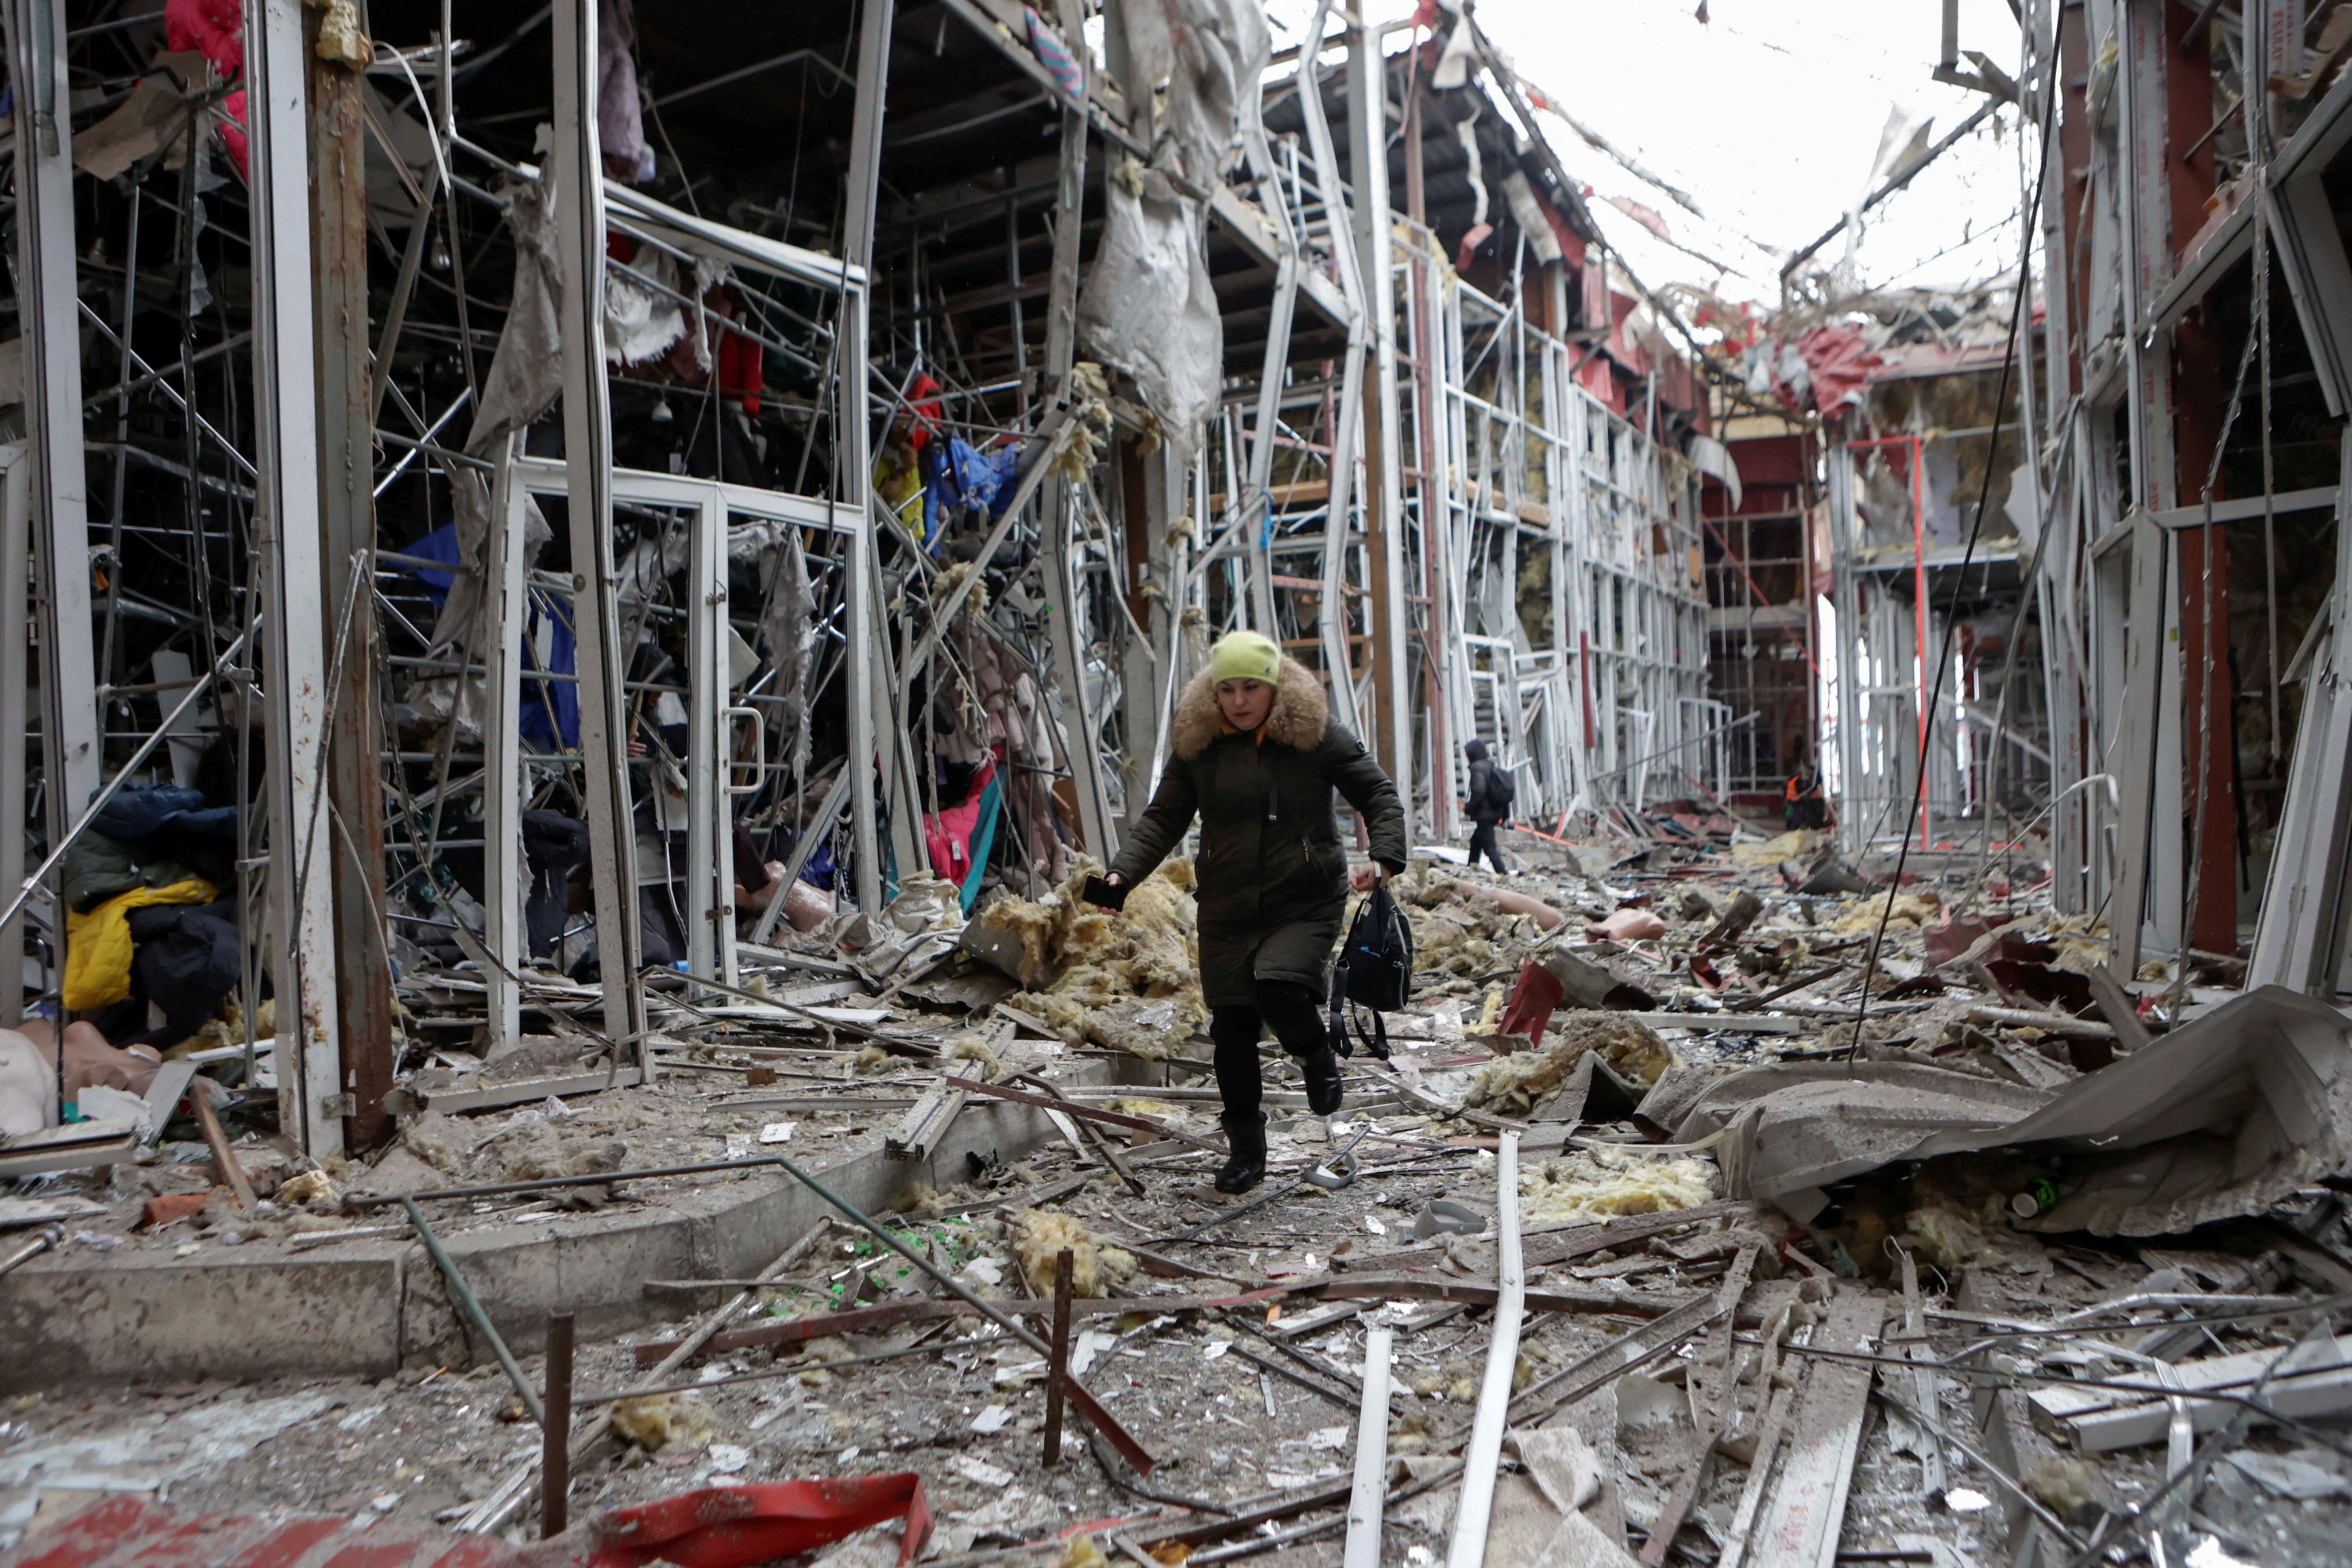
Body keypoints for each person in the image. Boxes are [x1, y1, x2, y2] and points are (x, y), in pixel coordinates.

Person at [1103, 629, 1407, 1194]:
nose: (1239, 702)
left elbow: (1378, 794)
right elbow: (1161, 819)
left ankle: (1317, 1055)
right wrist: (1119, 878)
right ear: (1213, 694)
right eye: (1228, 690)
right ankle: (1247, 1154)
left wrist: (1384, 859)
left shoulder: (1314, 735)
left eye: (1251, 689)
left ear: (1274, 689)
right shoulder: (1200, 744)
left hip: (1305, 897)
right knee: (1233, 1029)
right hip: (1227, 904)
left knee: (1278, 986)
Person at [1462, 739, 1512, 874]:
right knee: (1476, 841)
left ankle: (1503, 874)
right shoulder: (1490, 766)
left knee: (1490, 848)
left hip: (1485, 814)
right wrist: (1506, 816)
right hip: (1495, 812)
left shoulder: (1477, 768)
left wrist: (1469, 808)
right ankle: (1471, 869)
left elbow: (1479, 790)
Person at [1785, 751, 1827, 831]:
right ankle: (1794, 825)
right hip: (1797, 799)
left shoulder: (1794, 779)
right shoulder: (1798, 780)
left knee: (1793, 813)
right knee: (1795, 814)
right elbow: (1801, 789)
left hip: (1797, 799)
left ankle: (1792, 825)